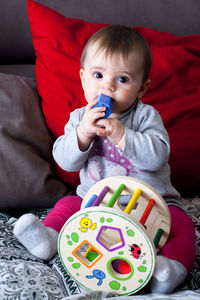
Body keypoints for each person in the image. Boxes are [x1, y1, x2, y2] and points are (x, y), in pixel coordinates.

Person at [13, 25, 196, 294]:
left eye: (122, 80)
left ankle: (167, 270)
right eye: (98, 75)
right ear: (83, 78)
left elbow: (157, 157)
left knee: (182, 226)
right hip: (94, 202)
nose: (107, 85)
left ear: (141, 88)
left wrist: (123, 136)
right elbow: (65, 161)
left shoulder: (146, 117)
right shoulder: (79, 118)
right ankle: (48, 239)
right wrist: (83, 134)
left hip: (153, 205)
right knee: (67, 204)